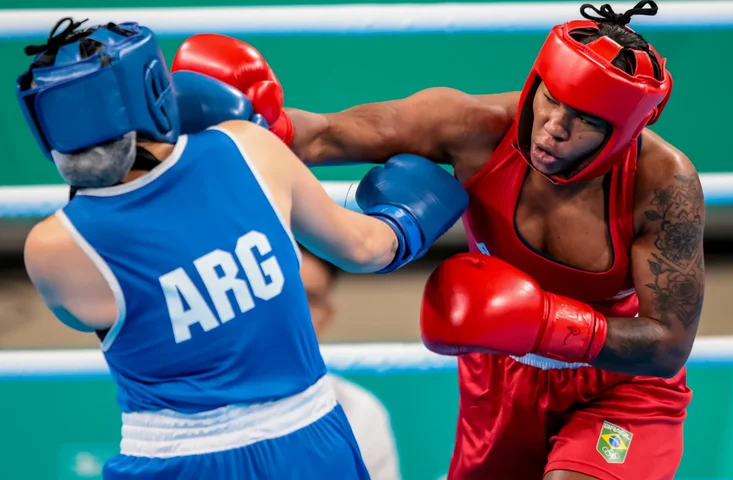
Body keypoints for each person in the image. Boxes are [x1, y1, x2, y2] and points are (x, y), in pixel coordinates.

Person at [172, 0, 705, 478]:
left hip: (616, 383)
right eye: (550, 99)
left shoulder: (663, 185)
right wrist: (255, 123)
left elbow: (669, 346)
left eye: (585, 120)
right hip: (499, 376)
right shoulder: (473, 127)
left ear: (627, 130)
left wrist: (541, 322)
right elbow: (330, 133)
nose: (553, 128)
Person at [18, 18, 467, 480]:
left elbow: (91, 303)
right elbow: (369, 249)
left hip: (172, 461)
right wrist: (412, 214)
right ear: (153, 87)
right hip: (309, 446)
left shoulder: (54, 248)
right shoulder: (248, 148)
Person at [299, 245, 402, 480]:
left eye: (310, 298)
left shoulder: (360, 411)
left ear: (327, 315)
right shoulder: (204, 403)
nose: (296, 311)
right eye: (283, 295)